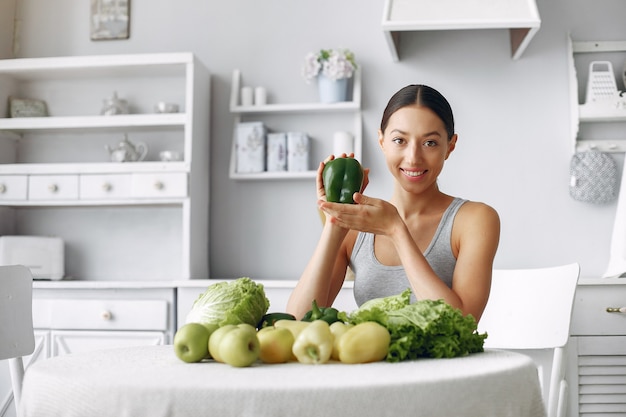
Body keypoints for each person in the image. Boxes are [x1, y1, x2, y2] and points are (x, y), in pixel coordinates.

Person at [286, 84, 500, 322]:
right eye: (400, 140)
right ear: (382, 141)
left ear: (450, 146)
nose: (413, 158)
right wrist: (334, 223)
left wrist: (396, 230)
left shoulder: (475, 220)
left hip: (444, 362)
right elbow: (296, 321)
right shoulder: (356, 227)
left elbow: (460, 326)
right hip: (370, 358)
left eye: (430, 143)